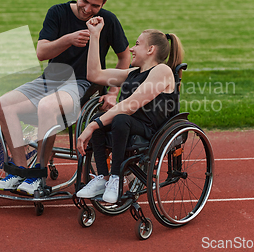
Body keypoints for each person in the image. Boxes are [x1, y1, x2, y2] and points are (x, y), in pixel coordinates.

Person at [0, 0, 131, 196]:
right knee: (4, 104)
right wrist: (68, 39)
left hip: (83, 83)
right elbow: (41, 52)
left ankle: (38, 175)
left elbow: (124, 57)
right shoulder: (57, 12)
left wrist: (113, 92)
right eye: (84, 1)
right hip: (50, 79)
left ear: (103, 4)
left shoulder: (108, 20)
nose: (87, 9)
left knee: (48, 106)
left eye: (95, 6)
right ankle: (18, 171)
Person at [76, 16, 184, 203]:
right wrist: (95, 36)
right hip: (128, 125)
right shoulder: (132, 73)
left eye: (137, 44)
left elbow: (131, 104)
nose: (132, 49)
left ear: (151, 49)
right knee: (103, 117)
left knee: (117, 119)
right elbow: (94, 74)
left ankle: (117, 177)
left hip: (152, 131)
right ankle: (104, 177)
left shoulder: (162, 71)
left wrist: (92, 126)